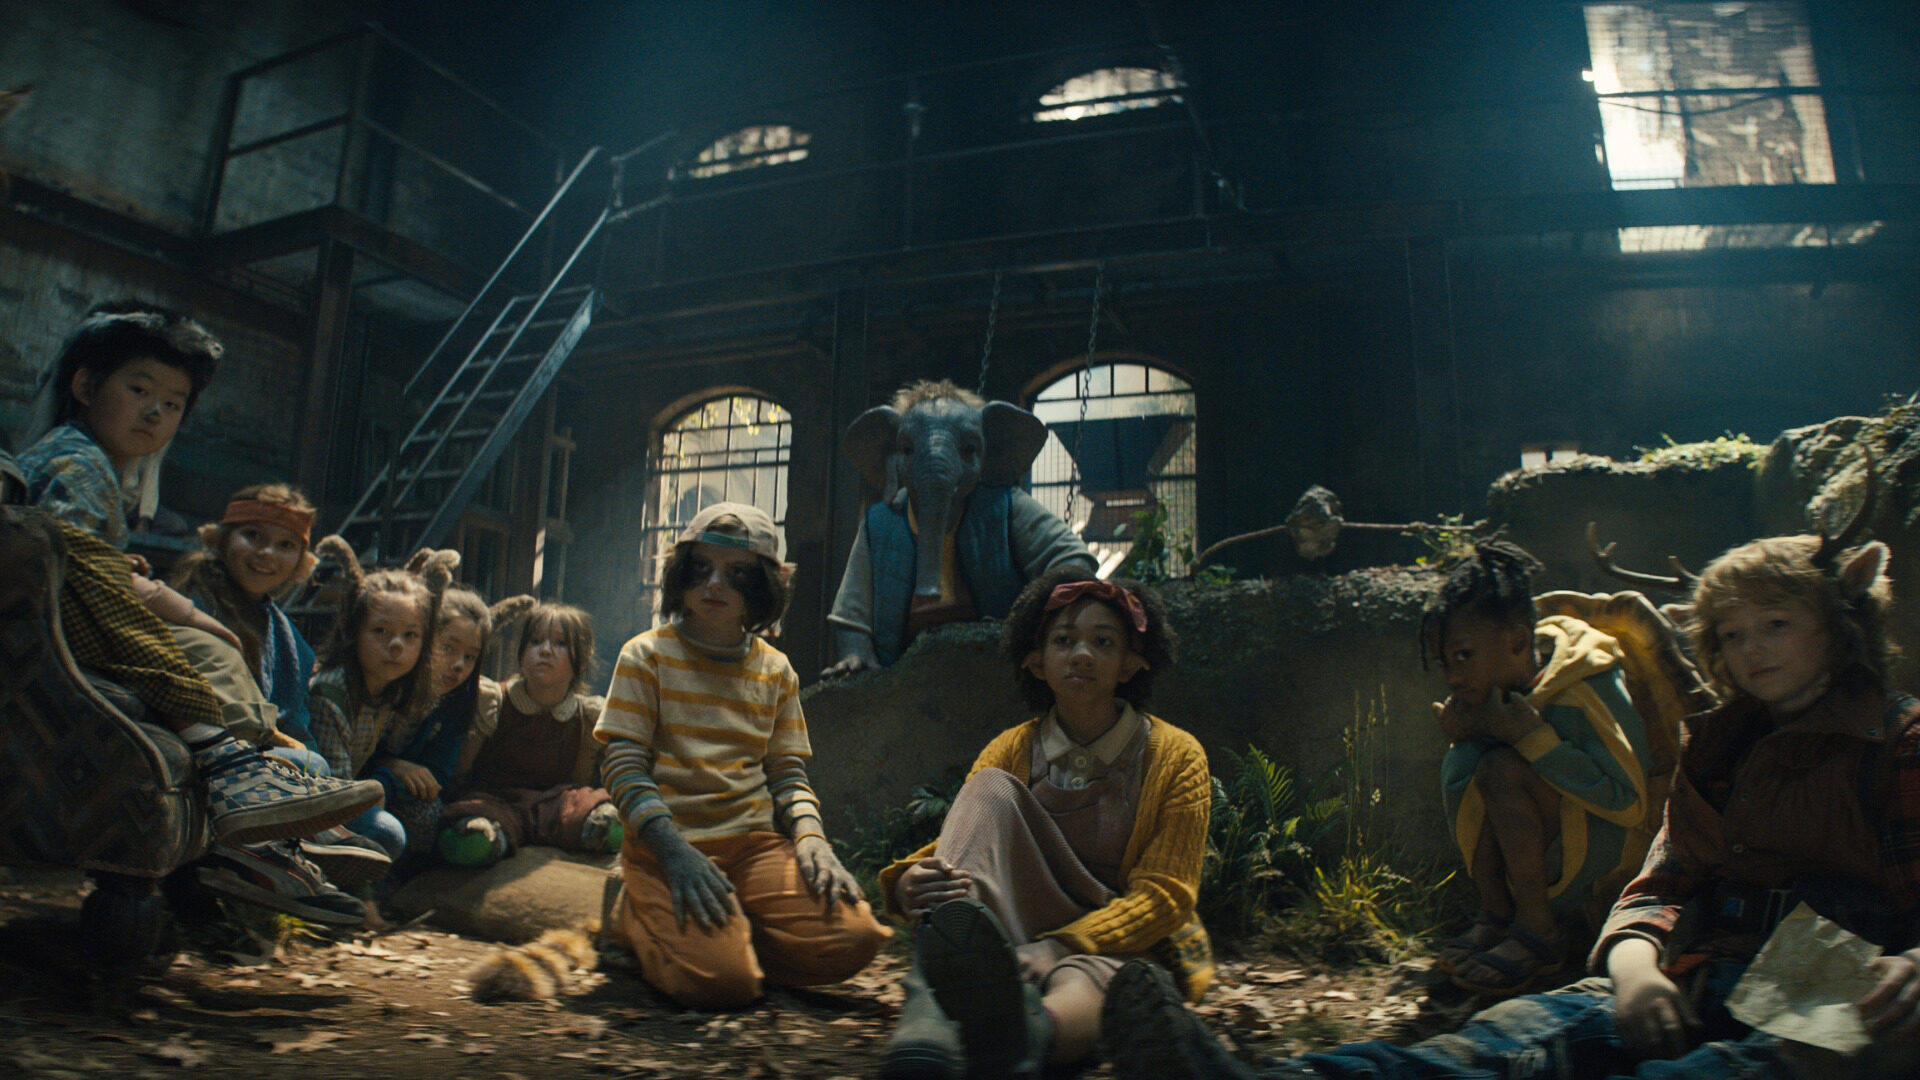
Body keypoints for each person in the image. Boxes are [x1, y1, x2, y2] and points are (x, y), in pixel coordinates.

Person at [1102, 531, 1920, 1080]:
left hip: (1831, 990)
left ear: (1841, 620)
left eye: (1776, 623)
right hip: (1696, 965)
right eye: (1732, 634)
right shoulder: (1718, 747)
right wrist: (1634, 967)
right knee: (1501, 1044)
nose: (1751, 650)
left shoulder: (1899, 742)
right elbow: (1666, 878)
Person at [876, 564, 1211, 1080]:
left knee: (1092, 985)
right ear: (1036, 662)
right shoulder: (1011, 748)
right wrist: (906, 884)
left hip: (1116, 934)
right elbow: (969, 841)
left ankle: (1024, 1036)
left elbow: (1165, 895)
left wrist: (1061, 945)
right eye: (1064, 640)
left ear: (1130, 665)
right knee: (988, 787)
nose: (1082, 654)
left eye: (1103, 642)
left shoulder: (1176, 756)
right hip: (1009, 927)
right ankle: (930, 1010)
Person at [596, 502, 889, 1008]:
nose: (715, 585)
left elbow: (788, 774)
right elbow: (622, 767)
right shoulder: (644, 656)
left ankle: (731, 940)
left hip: (755, 846)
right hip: (669, 846)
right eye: (700, 568)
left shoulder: (776, 671)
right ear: (679, 572)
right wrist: (672, 853)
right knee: (721, 984)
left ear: (767, 586)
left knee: (855, 940)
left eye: (737, 574)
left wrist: (813, 840)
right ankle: (634, 916)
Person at [1421, 541, 1657, 995]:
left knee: (1501, 770)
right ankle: (1498, 915)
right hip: (1549, 855)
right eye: (1445, 663)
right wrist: (1467, 737)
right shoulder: (1494, 692)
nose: (1452, 677)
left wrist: (1532, 738)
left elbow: (1629, 803)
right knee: (1481, 764)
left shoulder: (1586, 684)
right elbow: (1467, 798)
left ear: (1516, 642)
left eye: (1464, 656)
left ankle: (1540, 933)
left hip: (1607, 854)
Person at [440, 601, 617, 867]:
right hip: (496, 799)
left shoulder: (586, 716)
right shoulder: (494, 701)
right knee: (467, 840)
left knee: (609, 826)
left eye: (560, 643)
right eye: (535, 641)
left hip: (555, 803)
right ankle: (491, 839)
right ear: (522, 653)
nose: (545, 650)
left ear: (580, 659)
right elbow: (462, 770)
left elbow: (579, 780)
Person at [308, 561, 446, 867]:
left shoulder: (390, 689)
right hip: (320, 808)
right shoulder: (330, 694)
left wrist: (390, 764)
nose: (396, 645)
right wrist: (372, 792)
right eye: (381, 631)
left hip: (354, 790)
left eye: (410, 635)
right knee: (385, 831)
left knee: (428, 811)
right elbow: (336, 792)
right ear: (353, 631)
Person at [361, 578, 500, 872]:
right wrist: (391, 766)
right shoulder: (386, 682)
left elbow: (437, 774)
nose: (458, 664)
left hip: (397, 793)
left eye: (470, 657)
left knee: (428, 816)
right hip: (354, 786)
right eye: (448, 648)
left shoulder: (455, 704)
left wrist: (391, 781)